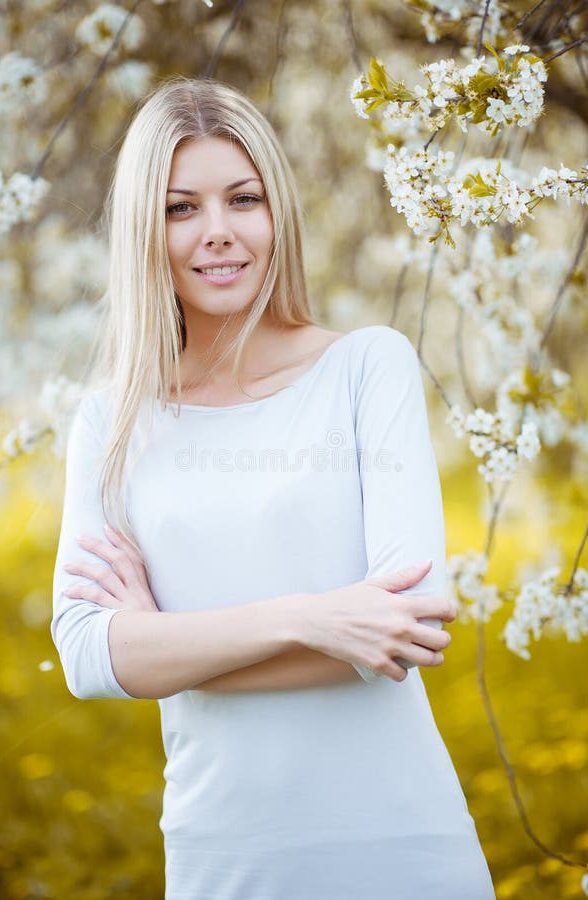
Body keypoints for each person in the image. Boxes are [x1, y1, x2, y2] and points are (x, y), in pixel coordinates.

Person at [51, 77, 495, 899]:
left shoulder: (366, 366)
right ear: (144, 227)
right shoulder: (111, 422)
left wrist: (163, 648)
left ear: (275, 211)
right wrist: (315, 617)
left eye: (242, 199)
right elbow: (86, 656)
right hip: (223, 857)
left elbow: (402, 631)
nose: (217, 233)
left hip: (401, 846)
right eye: (181, 208)